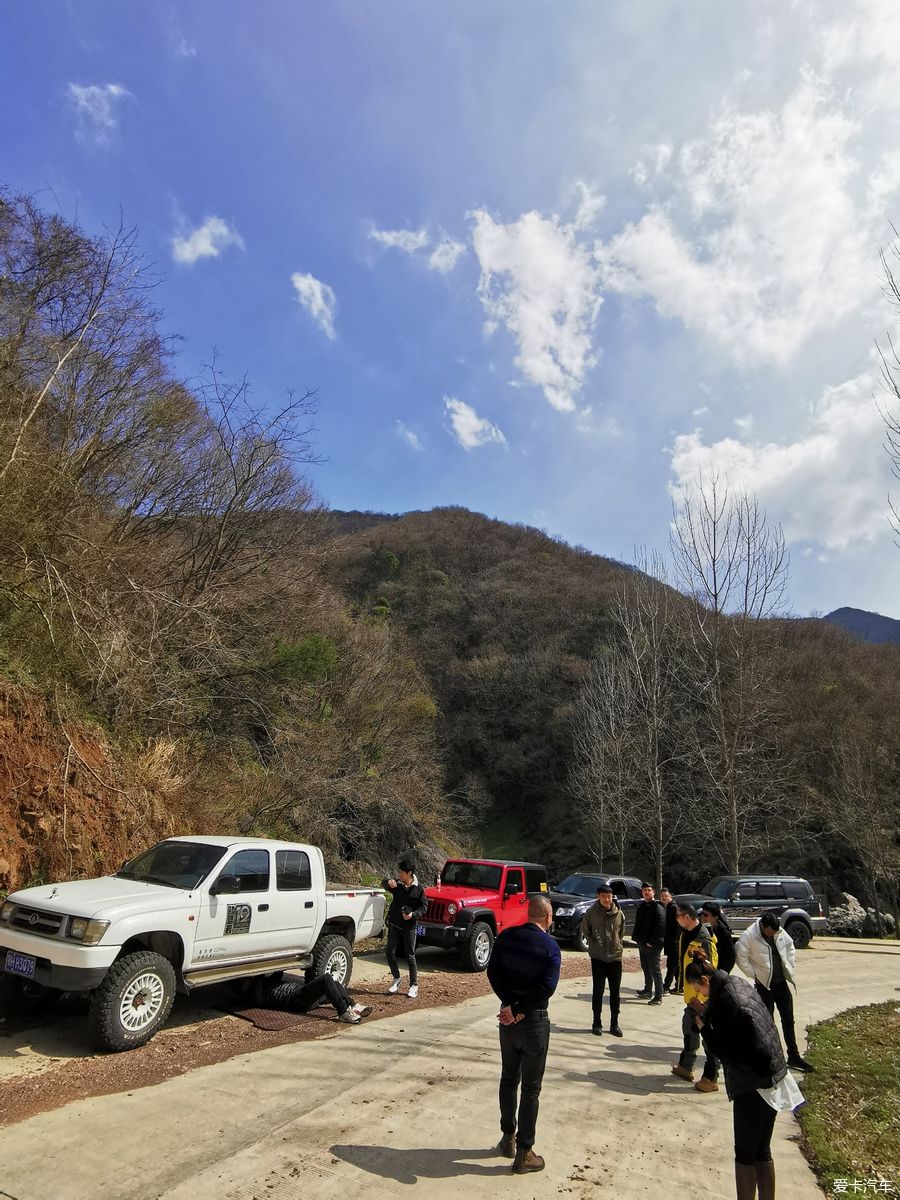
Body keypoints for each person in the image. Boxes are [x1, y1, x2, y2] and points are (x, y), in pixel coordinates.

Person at [685, 957, 803, 1200]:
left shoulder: (727, 1003)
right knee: (762, 1150)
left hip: (755, 1083)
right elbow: (739, 1027)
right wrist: (709, 1016)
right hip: (775, 1075)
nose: (700, 994)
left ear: (705, 980)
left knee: (745, 1153)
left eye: (699, 988)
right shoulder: (735, 983)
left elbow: (725, 1050)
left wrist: (704, 1027)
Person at [486, 894, 561, 1175]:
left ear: (528, 913)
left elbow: (493, 972)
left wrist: (508, 1005)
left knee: (508, 1078)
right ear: (547, 918)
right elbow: (547, 988)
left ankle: (507, 1138)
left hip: (508, 1022)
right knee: (531, 1089)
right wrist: (518, 1008)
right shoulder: (551, 947)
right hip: (534, 1022)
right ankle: (524, 1152)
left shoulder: (506, 937)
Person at [735, 912, 814, 1072]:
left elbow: (790, 945)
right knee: (767, 1024)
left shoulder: (778, 931)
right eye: (770, 932)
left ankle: (794, 1056)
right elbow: (740, 956)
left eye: (774, 932)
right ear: (762, 927)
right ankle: (771, 1057)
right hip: (765, 986)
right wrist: (754, 975)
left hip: (781, 983)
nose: (772, 935)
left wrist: (789, 965)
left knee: (788, 1020)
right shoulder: (749, 935)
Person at [670, 903, 720, 1092]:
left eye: (678, 916)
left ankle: (711, 1077)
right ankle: (686, 1066)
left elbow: (710, 971)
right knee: (689, 1029)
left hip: (703, 998)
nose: (677, 919)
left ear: (688, 917)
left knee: (709, 1038)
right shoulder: (685, 934)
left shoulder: (704, 939)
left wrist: (701, 998)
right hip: (692, 996)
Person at [580, 882, 625, 1037]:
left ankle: (614, 1023)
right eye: (604, 896)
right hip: (598, 957)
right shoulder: (591, 912)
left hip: (615, 957)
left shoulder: (618, 912)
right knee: (598, 991)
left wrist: (618, 944)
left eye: (609, 896)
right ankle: (596, 1023)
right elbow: (586, 931)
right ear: (598, 897)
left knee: (615, 993)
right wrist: (594, 945)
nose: (607, 899)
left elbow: (622, 931)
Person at [382, 856, 427, 998]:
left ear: (409, 873)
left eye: (401, 872)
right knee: (390, 952)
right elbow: (384, 884)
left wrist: (413, 915)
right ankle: (396, 978)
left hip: (409, 927)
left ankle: (414, 985)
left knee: (410, 956)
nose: (399, 874)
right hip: (395, 925)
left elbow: (424, 907)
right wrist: (389, 882)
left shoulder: (419, 889)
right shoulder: (398, 885)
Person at [260, 973, 373, 1024]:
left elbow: (277, 974)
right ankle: (343, 1012)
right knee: (326, 979)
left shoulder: (266, 981)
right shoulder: (257, 990)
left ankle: (352, 1005)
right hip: (296, 999)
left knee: (335, 984)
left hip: (303, 995)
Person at [633, 882, 666, 1004]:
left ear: (653, 892)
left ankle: (658, 996)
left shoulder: (657, 907)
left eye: (649, 890)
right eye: (644, 890)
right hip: (642, 943)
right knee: (645, 967)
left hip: (652, 945)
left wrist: (652, 942)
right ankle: (647, 991)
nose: (646, 892)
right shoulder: (642, 906)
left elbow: (661, 926)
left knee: (655, 970)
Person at [700, 901, 736, 973]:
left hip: (717, 971)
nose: (702, 917)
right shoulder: (699, 928)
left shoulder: (724, 934)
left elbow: (730, 957)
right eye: (702, 914)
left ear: (715, 917)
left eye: (706, 915)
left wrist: (721, 974)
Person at [660, 887, 680, 993]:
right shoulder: (666, 907)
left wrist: (675, 940)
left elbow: (676, 926)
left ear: (670, 896)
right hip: (670, 941)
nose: (663, 898)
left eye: (666, 896)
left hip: (674, 942)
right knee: (675, 965)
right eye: (662, 896)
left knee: (672, 965)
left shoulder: (673, 908)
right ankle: (679, 986)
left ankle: (666, 987)